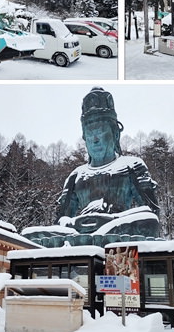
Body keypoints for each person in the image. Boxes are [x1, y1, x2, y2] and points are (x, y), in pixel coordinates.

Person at [55, 87, 160, 237]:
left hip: (120, 230)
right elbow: (60, 221)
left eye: (101, 131)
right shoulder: (76, 175)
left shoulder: (132, 166)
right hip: (81, 233)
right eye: (90, 133)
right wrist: (74, 224)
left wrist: (112, 220)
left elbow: (152, 212)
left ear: (115, 134)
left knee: (148, 221)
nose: (95, 139)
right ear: (84, 138)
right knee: (35, 235)